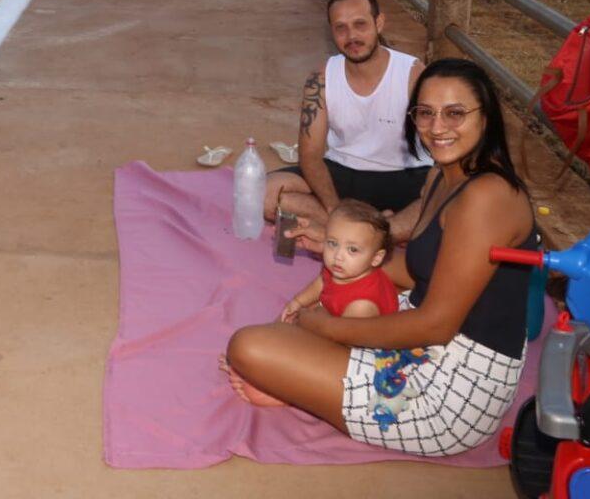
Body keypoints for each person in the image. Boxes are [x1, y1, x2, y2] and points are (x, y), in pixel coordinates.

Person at [225, 58, 540, 457]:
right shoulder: (445, 175)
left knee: (249, 346)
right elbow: (414, 269)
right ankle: (306, 383)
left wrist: (325, 329)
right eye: (425, 113)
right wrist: (337, 250)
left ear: (486, 117)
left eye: (455, 113)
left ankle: (303, 391)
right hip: (429, 342)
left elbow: (436, 325)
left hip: (451, 390)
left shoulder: (486, 197)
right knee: (317, 306)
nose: (437, 127)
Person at [263, 0, 428, 238]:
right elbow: (310, 155)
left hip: (406, 175)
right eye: (340, 27)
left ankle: (363, 233)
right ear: (331, 32)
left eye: (360, 24)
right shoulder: (321, 79)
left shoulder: (412, 73)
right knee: (262, 193)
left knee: (443, 201)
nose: (351, 36)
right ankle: (372, 232)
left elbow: (442, 150)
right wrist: (334, 208)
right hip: (344, 171)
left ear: (379, 23)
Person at [224, 199, 399, 405]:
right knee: (285, 320)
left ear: (376, 259)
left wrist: (308, 332)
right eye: (332, 243)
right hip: (336, 324)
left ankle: (289, 395)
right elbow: (321, 283)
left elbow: (341, 355)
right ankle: (265, 357)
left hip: (356, 356)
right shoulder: (342, 269)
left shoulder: (362, 306)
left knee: (299, 345)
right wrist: (298, 301)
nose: (338, 256)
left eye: (352, 250)